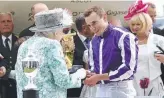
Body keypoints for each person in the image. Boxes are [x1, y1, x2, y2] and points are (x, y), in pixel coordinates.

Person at [15, 9, 86, 98]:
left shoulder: (25, 45)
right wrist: (81, 73)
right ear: (56, 31)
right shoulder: (52, 44)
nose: (63, 35)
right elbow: (63, 81)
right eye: (63, 31)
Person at [83, 5, 138, 98]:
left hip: (121, 90)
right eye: (89, 25)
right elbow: (94, 68)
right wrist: (86, 75)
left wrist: (99, 77)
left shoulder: (124, 36)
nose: (92, 28)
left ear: (104, 17)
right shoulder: (93, 41)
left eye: (94, 23)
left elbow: (129, 69)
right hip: (100, 90)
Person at [124, 0, 164, 96]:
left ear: (146, 23)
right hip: (132, 84)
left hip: (154, 84)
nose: (135, 27)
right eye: (133, 24)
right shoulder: (127, 41)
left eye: (138, 24)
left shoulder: (159, 40)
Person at [67, 14, 94, 97]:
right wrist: (83, 72)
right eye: (91, 25)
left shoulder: (98, 38)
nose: (94, 27)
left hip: (94, 88)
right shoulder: (68, 41)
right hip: (76, 91)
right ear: (84, 27)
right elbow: (68, 66)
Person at [0, 12, 18, 98]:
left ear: (13, 25)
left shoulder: (21, 42)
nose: (6, 24)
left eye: (9, 21)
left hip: (17, 89)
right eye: (3, 21)